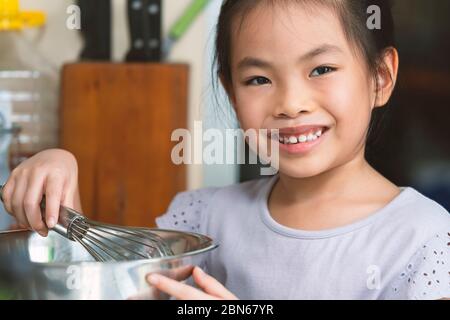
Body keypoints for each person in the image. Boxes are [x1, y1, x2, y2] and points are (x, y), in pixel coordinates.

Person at [2, 0, 449, 300]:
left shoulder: (425, 242)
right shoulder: (198, 220)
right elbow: (102, 282)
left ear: (380, 77)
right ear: (231, 94)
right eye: (258, 79)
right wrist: (58, 181)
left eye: (322, 68)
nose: (291, 103)